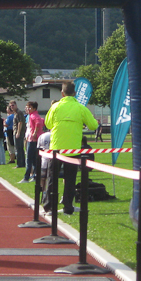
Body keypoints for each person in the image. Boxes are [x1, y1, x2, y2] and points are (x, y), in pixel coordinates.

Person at [45, 82, 98, 215]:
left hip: (56, 147)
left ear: (62, 93)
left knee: (52, 178)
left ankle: (49, 207)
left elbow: (48, 124)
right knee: (70, 179)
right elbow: (93, 126)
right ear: (74, 93)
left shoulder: (55, 106)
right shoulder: (80, 108)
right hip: (73, 149)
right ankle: (68, 207)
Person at [20, 101, 44, 183]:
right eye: (28, 107)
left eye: (30, 107)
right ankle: (35, 176)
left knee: (29, 158)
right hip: (32, 138)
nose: (28, 109)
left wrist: (35, 133)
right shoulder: (32, 115)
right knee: (34, 159)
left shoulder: (34, 116)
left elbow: (38, 123)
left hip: (33, 139)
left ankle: (26, 177)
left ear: (34, 108)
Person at [10, 100, 26, 168]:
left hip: (18, 132)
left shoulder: (19, 112)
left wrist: (18, 132)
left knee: (18, 148)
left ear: (16, 105)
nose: (12, 107)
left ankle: (19, 164)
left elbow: (20, 122)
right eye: (11, 106)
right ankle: (22, 163)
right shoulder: (15, 113)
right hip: (16, 132)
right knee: (19, 148)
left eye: (13, 105)